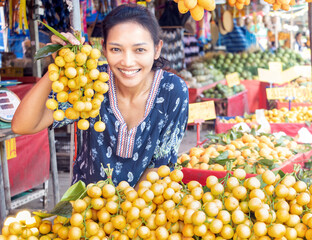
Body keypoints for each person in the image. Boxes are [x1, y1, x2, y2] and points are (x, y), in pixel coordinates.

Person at [11, 4, 189, 188]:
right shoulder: (91, 82)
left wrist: (124, 210)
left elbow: (159, 165)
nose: (127, 62)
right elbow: (22, 125)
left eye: (139, 50)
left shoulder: (172, 90)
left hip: (143, 210)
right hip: (86, 208)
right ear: (103, 49)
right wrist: (58, 66)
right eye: (116, 49)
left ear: (157, 49)